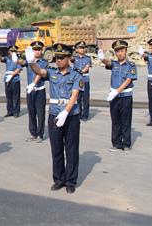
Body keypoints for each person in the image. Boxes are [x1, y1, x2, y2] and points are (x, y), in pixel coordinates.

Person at [27, 43, 83, 194]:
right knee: (56, 149)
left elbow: (75, 95)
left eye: (62, 58)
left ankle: (70, 181)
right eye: (57, 57)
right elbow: (39, 71)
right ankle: (59, 179)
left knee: (71, 149)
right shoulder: (52, 72)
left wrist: (65, 112)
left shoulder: (76, 74)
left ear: (69, 58)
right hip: (54, 114)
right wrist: (31, 62)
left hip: (71, 115)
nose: (58, 60)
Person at [98, 40, 137, 152]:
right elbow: (107, 63)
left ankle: (126, 143)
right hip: (114, 97)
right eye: (117, 51)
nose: (119, 53)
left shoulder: (131, 65)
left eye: (121, 51)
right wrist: (102, 58)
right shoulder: (114, 64)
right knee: (115, 120)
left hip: (125, 96)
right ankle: (116, 143)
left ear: (126, 51)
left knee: (125, 120)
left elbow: (128, 79)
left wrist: (117, 91)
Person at [19, 41, 48, 143]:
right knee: (31, 113)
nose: (37, 52)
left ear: (42, 51)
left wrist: (34, 83)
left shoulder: (43, 62)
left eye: (39, 50)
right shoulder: (29, 61)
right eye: (35, 50)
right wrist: (15, 57)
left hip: (39, 90)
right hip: (29, 90)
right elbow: (21, 63)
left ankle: (40, 134)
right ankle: (33, 133)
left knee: (40, 113)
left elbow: (40, 73)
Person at [0, 46, 22, 118]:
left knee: (16, 97)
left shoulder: (18, 59)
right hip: (7, 80)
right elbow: (1, 58)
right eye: (11, 51)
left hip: (15, 79)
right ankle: (10, 111)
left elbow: (19, 69)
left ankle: (16, 112)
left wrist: (12, 75)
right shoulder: (7, 58)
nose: (12, 53)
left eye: (14, 51)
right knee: (8, 97)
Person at [72, 41, 92, 121]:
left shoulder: (88, 58)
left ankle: (85, 115)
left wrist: (79, 71)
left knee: (85, 98)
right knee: (78, 98)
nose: (82, 49)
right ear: (76, 49)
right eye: (80, 48)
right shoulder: (74, 58)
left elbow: (86, 68)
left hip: (85, 80)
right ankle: (79, 113)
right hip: (77, 80)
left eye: (83, 48)